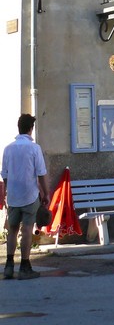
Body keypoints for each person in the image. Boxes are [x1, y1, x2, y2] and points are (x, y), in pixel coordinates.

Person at [1, 114, 49, 280]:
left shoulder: (8, 149)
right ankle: (25, 266)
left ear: (18, 128)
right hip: (30, 194)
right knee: (27, 229)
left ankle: (8, 266)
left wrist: (8, 191)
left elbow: (4, 175)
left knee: (12, 230)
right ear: (31, 129)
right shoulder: (34, 148)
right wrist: (46, 194)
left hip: (13, 196)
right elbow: (41, 174)